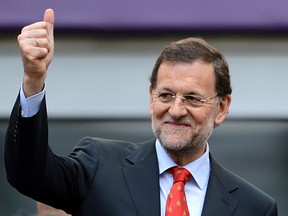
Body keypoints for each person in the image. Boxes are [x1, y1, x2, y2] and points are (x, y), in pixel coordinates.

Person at [5, 8, 277, 216]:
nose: (176, 109)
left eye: (192, 98)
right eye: (166, 95)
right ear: (151, 97)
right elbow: (28, 174)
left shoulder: (254, 207)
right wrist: (33, 80)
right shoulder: (99, 166)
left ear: (222, 107)